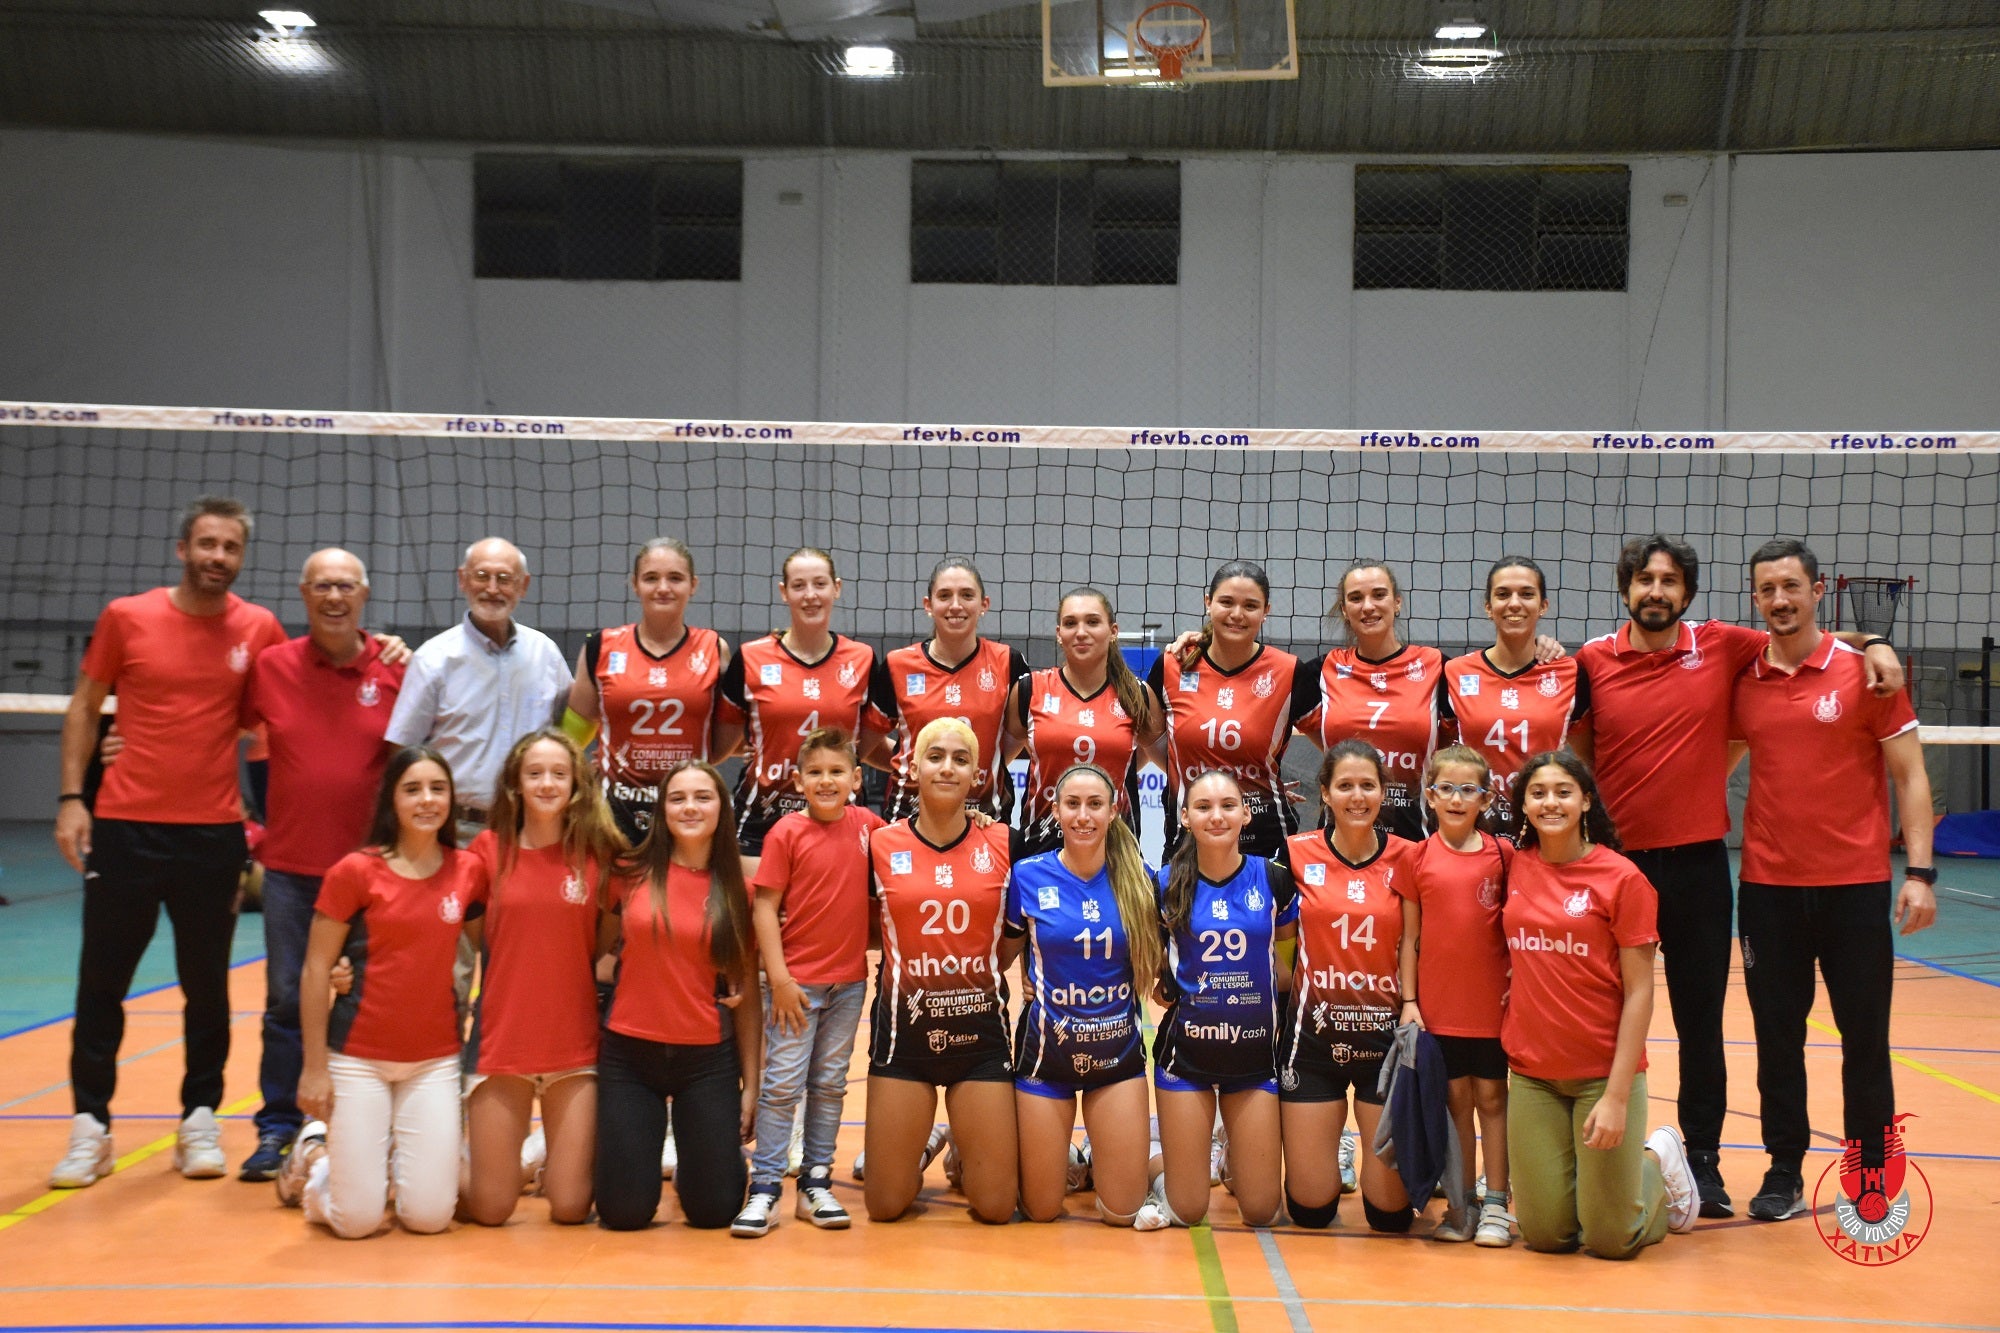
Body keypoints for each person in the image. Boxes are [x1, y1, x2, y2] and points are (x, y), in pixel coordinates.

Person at [1572, 533, 1903, 1218]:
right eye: (1643, 579)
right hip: (1614, 867)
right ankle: (1590, 1153)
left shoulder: (1723, 644)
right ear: (1625, 588)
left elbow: (1804, 632)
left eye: (1668, 580)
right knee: (1600, 1019)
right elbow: (1574, 761)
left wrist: (1873, 639)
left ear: (1687, 595)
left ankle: (1702, 1163)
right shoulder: (1590, 661)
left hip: (1697, 864)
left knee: (1701, 1024)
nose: (1655, 590)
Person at [50, 496, 287, 1189]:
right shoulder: (128, 616)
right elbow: (86, 706)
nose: (218, 557)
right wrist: (74, 797)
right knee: (102, 980)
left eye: (230, 548)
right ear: (183, 548)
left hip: (212, 834)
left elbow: (271, 716)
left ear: (241, 557)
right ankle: (91, 1125)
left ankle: (200, 1117)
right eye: (207, 544)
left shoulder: (259, 627)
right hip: (125, 827)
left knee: (207, 986)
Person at [1728, 538, 1938, 1223]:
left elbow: (1910, 775)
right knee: (1776, 1038)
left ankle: (1871, 1169)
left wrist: (1922, 874)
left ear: (1819, 590)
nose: (1780, 599)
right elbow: (1715, 758)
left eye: (1791, 586)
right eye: (1767, 589)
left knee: (1864, 1036)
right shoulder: (1744, 677)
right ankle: (1783, 1168)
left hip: (1854, 889)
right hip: (1768, 889)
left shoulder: (1867, 673)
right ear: (1756, 598)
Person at [234, 548, 407, 1183]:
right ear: (304, 594)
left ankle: (372, 1131)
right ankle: (279, 1126)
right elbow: (222, 732)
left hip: (372, 873)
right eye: (322, 587)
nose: (334, 597)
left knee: (368, 1000)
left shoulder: (396, 669)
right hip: (291, 870)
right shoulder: (271, 666)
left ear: (364, 595)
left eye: (346, 587)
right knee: (286, 1001)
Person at [275, 746, 489, 1239]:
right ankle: (314, 1160)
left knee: (430, 1218)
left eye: (438, 789)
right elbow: (315, 969)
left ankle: (380, 1163)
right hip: (358, 1059)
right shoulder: (355, 871)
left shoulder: (468, 872)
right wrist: (314, 1069)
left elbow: (493, 952)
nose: (427, 800)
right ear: (391, 800)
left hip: (434, 1060)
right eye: (412, 789)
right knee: (357, 1222)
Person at [1502, 751, 1696, 1258]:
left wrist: (1614, 1096)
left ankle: (1657, 1161)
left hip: (1601, 1076)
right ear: (1523, 804)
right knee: (1546, 1236)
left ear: (1586, 801)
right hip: (1533, 1074)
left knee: (1611, 1239)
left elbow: (1639, 991)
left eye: (1564, 792)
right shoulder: (1515, 865)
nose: (1551, 802)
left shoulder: (1623, 879)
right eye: (1538, 792)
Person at [461, 730, 625, 1227]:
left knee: (572, 1207)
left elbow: (603, 941)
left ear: (577, 784)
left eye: (559, 773)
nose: (547, 783)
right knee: (491, 1210)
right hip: (502, 1046)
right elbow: (469, 931)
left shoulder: (598, 855)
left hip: (572, 1048)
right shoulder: (487, 853)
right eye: (535, 773)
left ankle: (534, 1159)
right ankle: (407, 1167)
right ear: (516, 784)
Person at [593, 761, 762, 1231]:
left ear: (721, 809)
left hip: (706, 1062)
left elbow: (747, 999)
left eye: (703, 797)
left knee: (714, 1211)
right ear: (662, 809)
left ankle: (704, 1157)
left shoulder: (738, 892)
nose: (690, 807)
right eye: (678, 798)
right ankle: (626, 1156)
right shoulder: (628, 875)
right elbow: (598, 954)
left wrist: (751, 1087)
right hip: (629, 1057)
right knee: (623, 1213)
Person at [863, 717, 1018, 1225]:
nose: (947, 767)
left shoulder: (1005, 843)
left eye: (960, 758)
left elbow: (1020, 928)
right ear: (913, 768)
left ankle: (961, 1145)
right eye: (935, 757)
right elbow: (867, 930)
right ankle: (928, 1139)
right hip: (904, 1042)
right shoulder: (881, 844)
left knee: (995, 1206)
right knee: (885, 1205)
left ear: (978, 774)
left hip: (980, 1042)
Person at [733, 727, 884, 1237]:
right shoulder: (785, 833)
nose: (826, 781)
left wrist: (974, 818)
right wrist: (777, 979)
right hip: (796, 987)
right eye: (815, 772)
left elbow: (919, 839)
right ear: (798, 779)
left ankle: (817, 1181)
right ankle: (766, 1187)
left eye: (836, 772)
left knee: (829, 1085)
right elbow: (764, 906)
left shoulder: (869, 826)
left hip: (848, 986)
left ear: (856, 780)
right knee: (780, 1086)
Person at [1005, 764, 1161, 1225]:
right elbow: (1006, 950)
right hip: (1046, 1058)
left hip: (1116, 1057)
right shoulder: (1028, 876)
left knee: (1121, 1211)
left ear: (1115, 811)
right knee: (1041, 1210)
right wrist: (1027, 974)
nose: (1083, 815)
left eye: (1095, 804)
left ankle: (1110, 1155)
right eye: (1072, 804)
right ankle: (1064, 1155)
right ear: (1055, 811)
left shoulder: (1139, 878)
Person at [1141, 769, 1294, 1230]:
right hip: (1186, 1056)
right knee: (1187, 1211)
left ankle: (1233, 1155)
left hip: (1253, 1058)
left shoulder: (1274, 879)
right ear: (1185, 817)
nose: (1216, 816)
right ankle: (1155, 1165)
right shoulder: (1164, 884)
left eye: (1228, 805)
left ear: (1246, 815)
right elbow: (1152, 967)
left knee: (1262, 1212)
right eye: (1203, 807)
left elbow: (1286, 967)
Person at [1277, 740, 1419, 1234]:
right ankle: (1330, 1140)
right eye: (1345, 786)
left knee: (1389, 1217)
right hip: (1311, 1040)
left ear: (1383, 793)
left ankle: (1359, 1138)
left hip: (1386, 1044)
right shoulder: (1295, 854)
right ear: (1325, 793)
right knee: (1311, 1212)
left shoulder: (1411, 858)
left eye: (1367, 785)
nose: (1356, 796)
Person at [1402, 744, 1514, 1245]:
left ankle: (1497, 1203)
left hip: (1490, 1008)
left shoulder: (1503, 855)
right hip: (1439, 1009)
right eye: (1446, 788)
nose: (1456, 797)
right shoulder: (1416, 857)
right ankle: (1461, 1201)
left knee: (1492, 1098)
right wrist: (1410, 1000)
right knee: (1455, 1102)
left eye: (1468, 789)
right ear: (1429, 795)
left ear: (1486, 799)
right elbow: (1409, 937)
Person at [716, 547, 889, 866]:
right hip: (761, 819)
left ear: (837, 587)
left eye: (820, 584)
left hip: (841, 815)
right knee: (758, 913)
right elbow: (720, 746)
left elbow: (863, 746)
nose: (810, 595)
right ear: (784, 592)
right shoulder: (751, 658)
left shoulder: (862, 660)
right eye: (799, 586)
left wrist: (921, 767)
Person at [384, 537, 572, 830]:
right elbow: (401, 753)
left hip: (532, 828)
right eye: (482, 576)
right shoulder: (433, 659)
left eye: (504, 579)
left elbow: (570, 734)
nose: (492, 589)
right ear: (463, 579)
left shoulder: (545, 654)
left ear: (523, 585)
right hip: (457, 829)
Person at [563, 537, 729, 841]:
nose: (663, 587)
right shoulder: (602, 647)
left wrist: (694, 765)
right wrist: (585, 777)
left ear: (693, 585)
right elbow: (572, 735)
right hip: (615, 812)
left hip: (688, 810)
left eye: (675, 578)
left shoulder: (714, 649)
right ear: (635, 584)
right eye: (651, 578)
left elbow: (722, 738)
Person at [1149, 560, 1316, 858]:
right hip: (1188, 841)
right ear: (1208, 602)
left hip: (1264, 841)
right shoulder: (1172, 664)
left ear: (1266, 611)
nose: (1237, 614)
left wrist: (1262, 780)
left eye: (1250, 606)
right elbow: (1150, 740)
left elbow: (1338, 745)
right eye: (1226, 602)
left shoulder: (1288, 672)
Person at [1296, 561, 1447, 842]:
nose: (1367, 606)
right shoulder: (1322, 671)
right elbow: (1248, 670)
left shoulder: (1437, 667)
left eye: (1379, 595)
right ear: (1344, 609)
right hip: (1337, 840)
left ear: (1397, 602)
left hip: (1416, 839)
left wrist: (1540, 650)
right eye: (1355, 598)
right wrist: (1201, 644)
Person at [1007, 587, 1163, 857]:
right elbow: (994, 764)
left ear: (1113, 631)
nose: (1080, 631)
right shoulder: (1029, 691)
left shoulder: (1137, 695)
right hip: (1041, 847)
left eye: (1092, 622)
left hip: (1117, 853)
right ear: (1059, 634)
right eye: (1070, 623)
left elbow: (1177, 765)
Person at [1441, 557, 1591, 834]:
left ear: (1543, 606)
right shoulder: (1454, 672)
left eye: (1526, 594)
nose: (1514, 603)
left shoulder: (1569, 673)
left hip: (1544, 829)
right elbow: (1442, 757)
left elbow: (1586, 760)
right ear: (1488, 607)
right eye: (1502, 594)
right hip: (1475, 831)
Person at [875, 557, 1029, 823]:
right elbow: (866, 743)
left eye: (967, 595)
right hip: (907, 816)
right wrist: (914, 761)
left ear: (984, 604)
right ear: (928, 605)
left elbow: (1015, 737)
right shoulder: (898, 664)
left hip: (985, 819)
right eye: (944, 595)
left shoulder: (1008, 662)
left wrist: (984, 763)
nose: (955, 605)